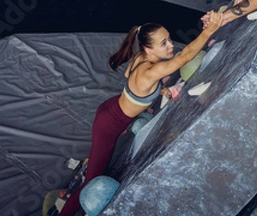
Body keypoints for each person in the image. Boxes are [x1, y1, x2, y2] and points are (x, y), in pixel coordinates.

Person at [59, 11, 223, 216]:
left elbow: (130, 76)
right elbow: (186, 56)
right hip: (108, 125)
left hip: (112, 108)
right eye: (164, 43)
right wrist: (210, 30)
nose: (171, 45)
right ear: (148, 49)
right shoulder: (151, 71)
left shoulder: (141, 58)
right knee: (91, 182)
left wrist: (156, 91)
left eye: (169, 39)